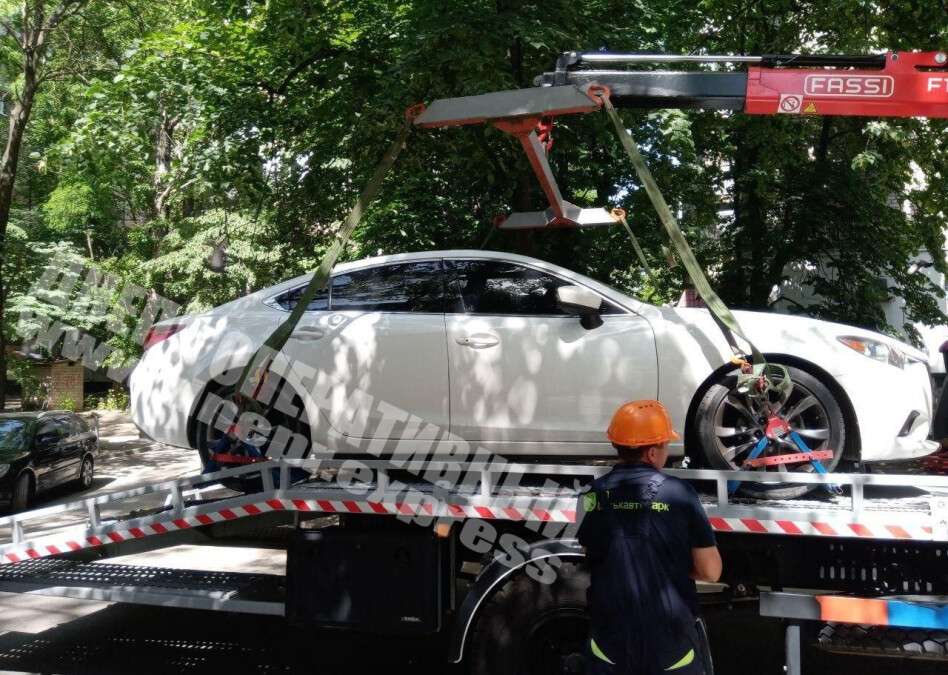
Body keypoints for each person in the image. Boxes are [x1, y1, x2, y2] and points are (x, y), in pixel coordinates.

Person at [578, 400, 722, 674]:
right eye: (666, 446)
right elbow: (711, 571)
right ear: (653, 453)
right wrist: (671, 565)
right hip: (670, 646)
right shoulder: (680, 494)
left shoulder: (591, 494)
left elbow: (592, 554)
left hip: (610, 646)